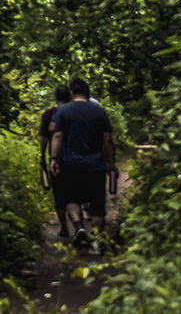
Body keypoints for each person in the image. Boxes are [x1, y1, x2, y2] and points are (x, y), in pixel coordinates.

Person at [49, 76, 115, 249]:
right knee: (97, 204)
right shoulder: (99, 111)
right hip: (95, 165)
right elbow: (107, 139)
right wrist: (110, 163)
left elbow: (57, 135)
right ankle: (97, 238)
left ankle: (78, 227)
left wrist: (53, 159)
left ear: (71, 93)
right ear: (88, 93)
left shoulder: (63, 111)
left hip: (69, 164)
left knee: (71, 199)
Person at [38, 84, 71, 238]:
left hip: (56, 159)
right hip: (76, 158)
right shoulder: (75, 112)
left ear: (56, 97)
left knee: (59, 193)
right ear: (70, 95)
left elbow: (44, 138)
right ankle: (79, 224)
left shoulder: (49, 114)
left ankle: (64, 227)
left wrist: (42, 155)